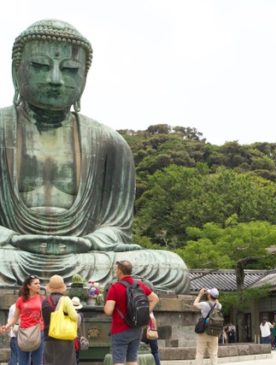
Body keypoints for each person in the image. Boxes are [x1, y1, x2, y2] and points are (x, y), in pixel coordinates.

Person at [0, 19, 189, 293]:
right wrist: (14, 238)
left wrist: (88, 242)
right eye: (40, 66)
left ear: (84, 78)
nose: (55, 79)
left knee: (170, 267)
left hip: (83, 255)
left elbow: (117, 228)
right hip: (12, 253)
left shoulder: (109, 142)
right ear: (16, 72)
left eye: (69, 70)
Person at [104, 260, 159, 365]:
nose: (116, 271)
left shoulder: (115, 287)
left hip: (120, 329)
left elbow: (108, 310)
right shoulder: (139, 284)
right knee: (132, 360)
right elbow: (155, 298)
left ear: (119, 271)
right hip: (136, 328)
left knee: (118, 361)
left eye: (116, 270)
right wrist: (146, 313)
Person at [2, 275, 44, 365]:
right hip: (23, 333)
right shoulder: (20, 300)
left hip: (38, 332)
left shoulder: (42, 299)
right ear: (29, 286)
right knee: (23, 362)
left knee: (38, 362)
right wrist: (7, 326)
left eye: (39, 283)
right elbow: (15, 318)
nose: (39, 285)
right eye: (36, 283)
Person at [42, 275, 78, 365]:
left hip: (49, 338)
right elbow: (75, 317)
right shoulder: (66, 300)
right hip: (64, 338)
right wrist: (80, 316)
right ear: (62, 288)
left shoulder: (45, 301)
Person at [193, 287, 222, 365]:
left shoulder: (204, 304)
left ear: (209, 296)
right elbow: (217, 301)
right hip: (214, 333)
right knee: (214, 354)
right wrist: (214, 297)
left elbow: (194, 304)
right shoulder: (219, 306)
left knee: (200, 353)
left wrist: (200, 295)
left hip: (204, 332)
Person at [7, 292, 21, 365]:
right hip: (22, 336)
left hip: (14, 335)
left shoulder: (13, 306)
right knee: (16, 357)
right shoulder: (22, 306)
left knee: (14, 356)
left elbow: (9, 320)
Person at [71, 296, 84, 365]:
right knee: (76, 357)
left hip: (69, 337)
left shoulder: (68, 314)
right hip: (76, 337)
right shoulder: (80, 315)